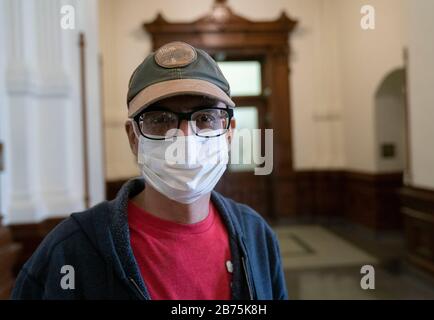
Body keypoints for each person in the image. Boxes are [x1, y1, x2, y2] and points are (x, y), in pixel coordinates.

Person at [11, 41, 287, 300]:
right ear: (134, 137)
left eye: (205, 118)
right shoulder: (70, 250)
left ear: (229, 133)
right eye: (160, 119)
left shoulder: (255, 236)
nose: (184, 139)